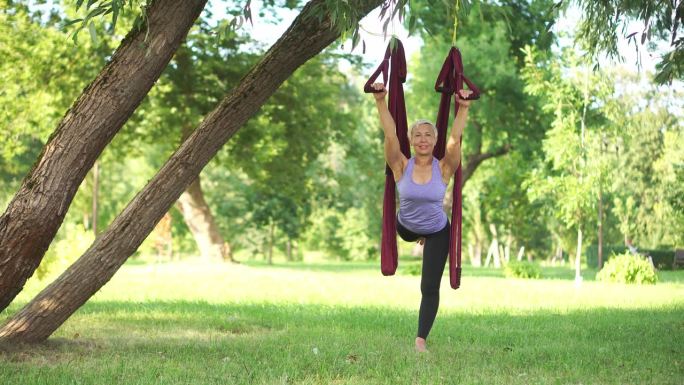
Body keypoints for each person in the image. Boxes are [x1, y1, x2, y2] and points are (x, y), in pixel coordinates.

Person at [371, 82, 473, 352]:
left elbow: (455, 139)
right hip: (405, 227)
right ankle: (419, 237)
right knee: (409, 231)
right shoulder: (400, 165)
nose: (423, 139)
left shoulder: (445, 167)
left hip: (438, 229)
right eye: (418, 135)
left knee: (429, 286)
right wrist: (380, 100)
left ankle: (420, 341)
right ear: (412, 140)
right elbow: (390, 135)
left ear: (434, 140)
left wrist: (463, 107)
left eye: (428, 135)